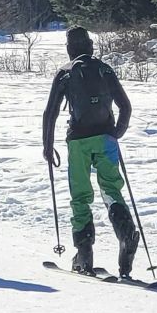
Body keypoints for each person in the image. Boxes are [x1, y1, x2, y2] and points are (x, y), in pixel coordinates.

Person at [42, 27, 138, 276]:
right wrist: (116, 132)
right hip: (106, 138)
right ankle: (126, 233)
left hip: (78, 142)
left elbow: (50, 112)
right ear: (91, 46)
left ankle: (84, 253)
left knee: (81, 196)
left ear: (69, 48)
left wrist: (47, 145)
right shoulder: (105, 69)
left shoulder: (65, 72)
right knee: (111, 189)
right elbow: (125, 106)